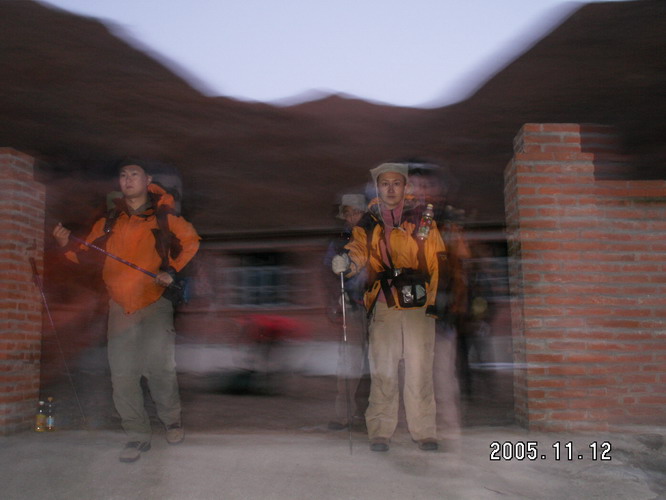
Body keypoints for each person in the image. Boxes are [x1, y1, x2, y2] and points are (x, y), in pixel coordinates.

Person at [52, 159, 200, 463]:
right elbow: (84, 255)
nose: (128, 179)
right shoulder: (108, 222)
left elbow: (192, 242)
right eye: (123, 175)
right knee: (122, 375)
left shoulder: (164, 217)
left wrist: (172, 270)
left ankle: (171, 421)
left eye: (134, 174)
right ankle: (136, 435)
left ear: (147, 180)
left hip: (155, 301)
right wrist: (65, 245)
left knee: (159, 369)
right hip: (119, 306)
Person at [331, 163, 446, 452]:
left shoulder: (423, 220)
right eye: (385, 183)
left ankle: (424, 431)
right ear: (377, 187)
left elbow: (436, 259)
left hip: (418, 303)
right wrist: (347, 262)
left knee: (420, 369)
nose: (391, 189)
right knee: (383, 369)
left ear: (406, 187)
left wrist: (435, 302)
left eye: (397, 183)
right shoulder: (368, 223)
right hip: (384, 303)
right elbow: (359, 250)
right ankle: (380, 431)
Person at [409, 162, 471, 447]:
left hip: (441, 312)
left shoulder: (447, 224)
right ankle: (420, 432)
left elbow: (460, 265)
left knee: (442, 376)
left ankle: (447, 432)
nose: (420, 192)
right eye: (414, 186)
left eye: (425, 186)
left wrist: (457, 304)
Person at [323, 194, 370, 431]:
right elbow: (328, 273)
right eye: (349, 213)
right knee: (350, 363)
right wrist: (336, 299)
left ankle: (374, 415)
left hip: (380, 307)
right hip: (353, 308)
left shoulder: (377, 235)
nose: (353, 217)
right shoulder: (339, 241)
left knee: (381, 364)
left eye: (357, 212)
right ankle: (344, 415)